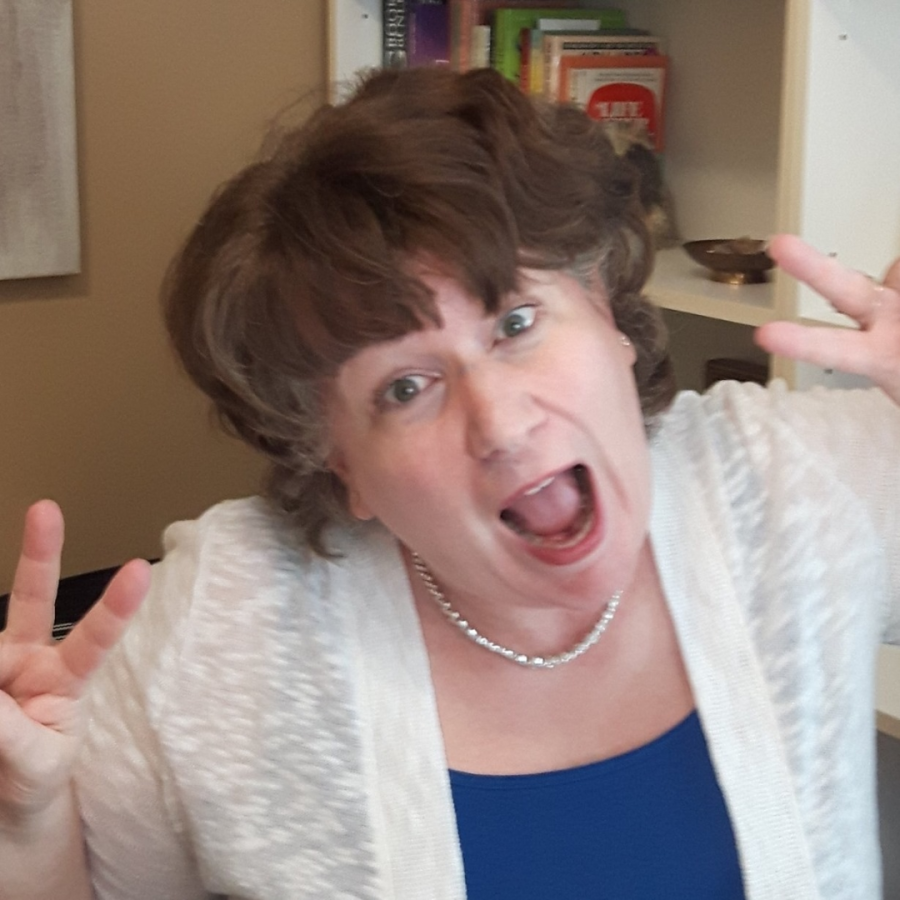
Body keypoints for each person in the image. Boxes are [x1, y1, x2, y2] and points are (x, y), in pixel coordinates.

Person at [1, 65, 898, 900]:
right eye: (405, 387)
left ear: (607, 312)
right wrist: (27, 826)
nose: (501, 424)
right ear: (340, 463)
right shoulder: (222, 623)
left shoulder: (789, 481)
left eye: (515, 322)